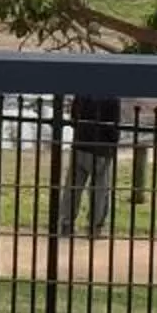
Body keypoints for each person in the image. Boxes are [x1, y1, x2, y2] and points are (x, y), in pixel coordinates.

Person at [58, 92, 122, 239]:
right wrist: (112, 145)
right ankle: (94, 227)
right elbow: (114, 127)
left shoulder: (83, 91)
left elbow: (73, 117)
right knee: (100, 190)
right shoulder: (113, 97)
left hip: (80, 143)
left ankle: (66, 224)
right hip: (100, 148)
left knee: (72, 187)